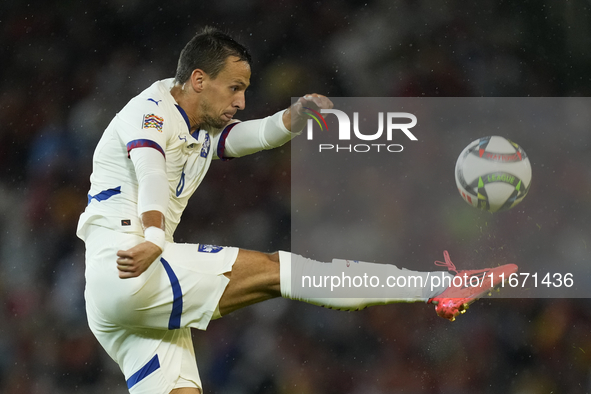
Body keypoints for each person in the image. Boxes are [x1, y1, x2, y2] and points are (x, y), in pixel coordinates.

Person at [77, 27, 517, 394]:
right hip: (131, 263)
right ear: (197, 79)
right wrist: (154, 238)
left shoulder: (198, 126)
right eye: (234, 88)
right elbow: (150, 173)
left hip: (116, 292)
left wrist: (293, 118)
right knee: (278, 272)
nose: (241, 102)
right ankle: (437, 287)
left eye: (245, 90)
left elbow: (243, 137)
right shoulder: (150, 112)